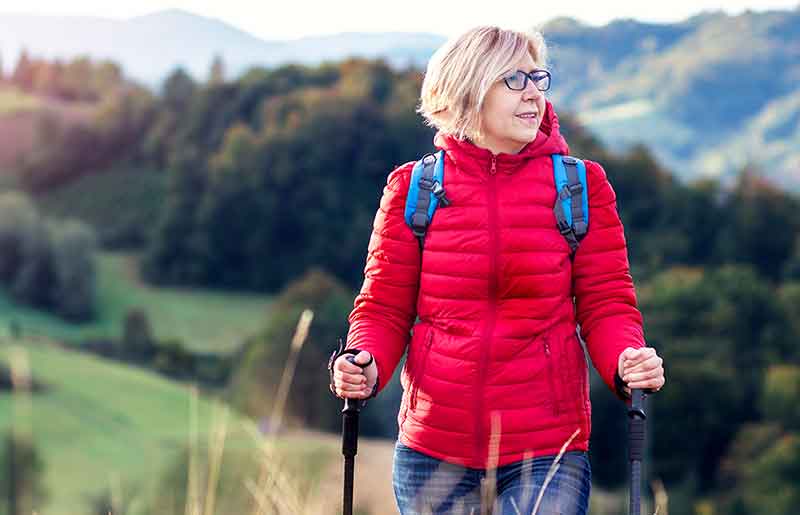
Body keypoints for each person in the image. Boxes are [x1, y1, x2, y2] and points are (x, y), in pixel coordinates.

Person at [329, 25, 665, 514]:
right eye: (514, 80)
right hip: (431, 450)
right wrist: (365, 363)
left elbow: (607, 303)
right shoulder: (414, 189)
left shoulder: (581, 187)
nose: (534, 94)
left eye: (537, 78)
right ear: (470, 90)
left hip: (547, 449)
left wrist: (626, 359)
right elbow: (383, 309)